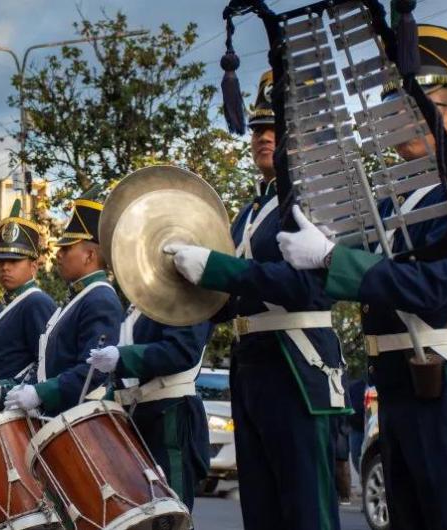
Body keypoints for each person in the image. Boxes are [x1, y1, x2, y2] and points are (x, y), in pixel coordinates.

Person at [276, 25, 447, 530]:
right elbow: (341, 281)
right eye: (390, 110)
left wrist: (330, 259)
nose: (395, 120)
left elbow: (436, 290)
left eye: (412, 107)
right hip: (395, 388)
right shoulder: (382, 204)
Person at [165, 69, 350, 529]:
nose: (264, 138)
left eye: (275, 129)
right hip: (253, 365)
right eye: (258, 130)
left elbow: (306, 288)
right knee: (261, 511)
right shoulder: (249, 212)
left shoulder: (314, 197)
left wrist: (216, 267)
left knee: (306, 510)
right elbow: (232, 298)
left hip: (298, 364)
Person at [5, 190, 123, 415]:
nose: (58, 254)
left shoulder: (100, 298)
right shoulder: (78, 298)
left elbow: (93, 371)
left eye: (67, 248)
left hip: (80, 420)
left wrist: (42, 393)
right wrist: (12, 388)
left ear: (89, 255)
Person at [88, 306, 212, 511]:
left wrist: (123, 357)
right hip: (135, 415)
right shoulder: (140, 304)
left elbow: (182, 350)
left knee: (169, 514)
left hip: (170, 413)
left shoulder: (186, 294)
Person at [0, 200, 56, 406]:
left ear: (34, 266)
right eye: (1, 261)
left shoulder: (36, 302)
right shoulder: (3, 307)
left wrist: (9, 388)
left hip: (20, 414)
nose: (5, 267)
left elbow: (46, 364)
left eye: (14, 261)